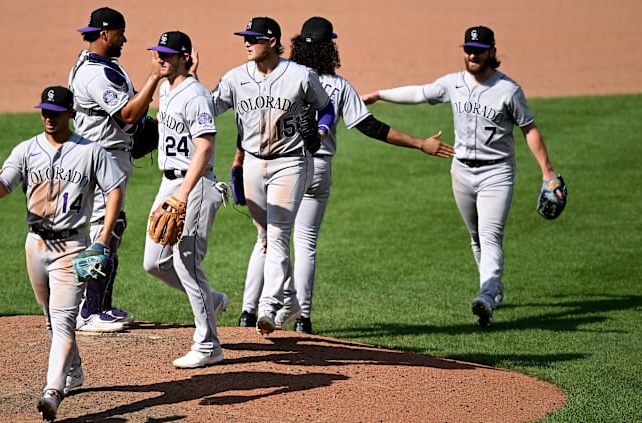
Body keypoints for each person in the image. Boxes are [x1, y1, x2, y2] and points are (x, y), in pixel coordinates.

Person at [251, 16, 454, 334]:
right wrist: (420, 143)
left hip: (282, 165)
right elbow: (370, 127)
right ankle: (302, 319)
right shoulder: (339, 86)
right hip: (318, 168)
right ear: (330, 48)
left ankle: (253, 309)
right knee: (305, 243)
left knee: (270, 238)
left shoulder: (283, 77)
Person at [362, 26, 561, 326]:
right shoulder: (453, 83)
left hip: (497, 172)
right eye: (468, 49)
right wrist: (380, 95)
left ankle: (486, 296)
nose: (472, 54)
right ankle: (493, 287)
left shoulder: (509, 90)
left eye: (478, 50)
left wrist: (548, 173)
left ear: (492, 52)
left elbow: (529, 129)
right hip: (462, 170)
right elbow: (420, 92)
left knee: (490, 235)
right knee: (475, 236)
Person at [0, 86, 125, 421]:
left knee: (63, 323)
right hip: (35, 245)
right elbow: (2, 191)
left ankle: (52, 392)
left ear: (70, 114)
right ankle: (73, 370)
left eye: (55, 112)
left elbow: (115, 190)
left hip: (72, 247)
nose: (48, 117)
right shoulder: (27, 150)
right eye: (44, 111)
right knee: (50, 319)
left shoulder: (91, 152)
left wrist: (102, 240)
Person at [210, 16, 335, 335]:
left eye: (253, 38)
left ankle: (268, 306)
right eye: (245, 38)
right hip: (253, 162)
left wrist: (320, 130)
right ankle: (291, 299)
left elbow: (327, 107)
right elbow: (209, 107)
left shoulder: (300, 76)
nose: (246, 43)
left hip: (291, 164)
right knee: (265, 237)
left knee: (278, 233)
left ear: (272, 42)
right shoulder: (236, 78)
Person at [68, 7, 162, 332]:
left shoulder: (103, 65)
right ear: (106, 33)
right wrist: (155, 78)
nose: (125, 39)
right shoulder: (95, 75)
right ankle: (89, 311)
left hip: (108, 155)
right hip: (101, 159)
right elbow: (126, 115)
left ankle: (97, 306)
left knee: (111, 225)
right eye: (121, 33)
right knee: (104, 228)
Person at [142, 31, 229, 368]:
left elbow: (204, 147)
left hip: (195, 185)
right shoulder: (166, 89)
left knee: (186, 262)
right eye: (157, 53)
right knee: (154, 262)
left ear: (184, 57)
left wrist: (182, 193)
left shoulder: (196, 95)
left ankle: (208, 344)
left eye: (168, 54)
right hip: (170, 184)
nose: (160, 58)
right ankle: (213, 301)